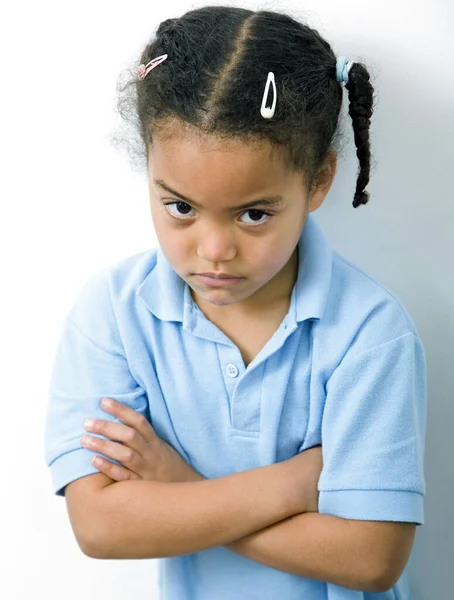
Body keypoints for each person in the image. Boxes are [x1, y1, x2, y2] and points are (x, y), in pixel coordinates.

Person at [43, 5, 426, 600]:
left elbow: (373, 558)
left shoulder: (368, 331)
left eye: (254, 214)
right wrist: (293, 485)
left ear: (318, 182)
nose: (214, 250)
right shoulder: (114, 314)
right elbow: (101, 525)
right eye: (180, 208)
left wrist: (181, 488)